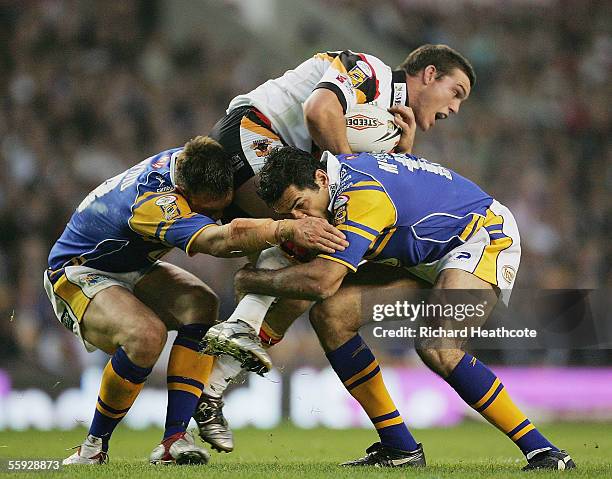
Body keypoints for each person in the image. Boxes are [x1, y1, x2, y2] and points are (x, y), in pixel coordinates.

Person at [196, 44, 476, 451]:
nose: (455, 108)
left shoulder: (387, 122)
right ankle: (238, 328)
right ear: (429, 74)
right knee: (318, 243)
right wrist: (353, 174)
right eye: (457, 92)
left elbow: (387, 185)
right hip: (253, 134)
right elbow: (318, 112)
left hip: (281, 159)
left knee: (308, 281)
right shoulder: (370, 71)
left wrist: (401, 151)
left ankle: (208, 394)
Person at [228, 145, 575, 471]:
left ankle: (545, 452)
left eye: (300, 205)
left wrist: (253, 280)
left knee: (439, 347)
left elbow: (323, 281)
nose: (298, 219)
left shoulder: (362, 195)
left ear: (321, 179)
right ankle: (400, 447)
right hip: (423, 254)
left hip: (481, 235)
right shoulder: (333, 190)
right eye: (288, 214)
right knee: (331, 316)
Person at [43, 136, 347, 465]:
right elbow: (217, 240)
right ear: (186, 195)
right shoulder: (154, 203)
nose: (215, 216)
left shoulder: (194, 163)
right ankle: (93, 447)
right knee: (146, 335)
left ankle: (174, 439)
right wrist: (284, 229)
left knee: (201, 304)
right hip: (78, 271)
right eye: (208, 210)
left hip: (131, 264)